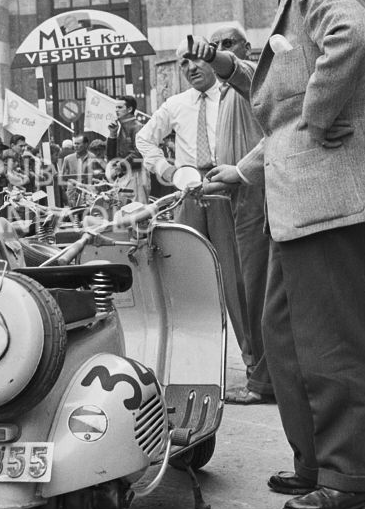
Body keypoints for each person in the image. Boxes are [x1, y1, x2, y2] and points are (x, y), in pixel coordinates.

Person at [197, 0, 365, 509]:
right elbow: (283, 114)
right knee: (282, 334)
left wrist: (323, 112)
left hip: (326, 201)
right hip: (297, 201)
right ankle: (316, 458)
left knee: (332, 342)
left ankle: (354, 477)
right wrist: (242, 161)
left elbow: (355, 35)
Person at [137, 50, 251, 381]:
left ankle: (255, 364)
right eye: (183, 63)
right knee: (190, 283)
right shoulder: (176, 104)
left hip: (227, 194)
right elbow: (144, 139)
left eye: (196, 60)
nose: (191, 68)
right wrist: (167, 169)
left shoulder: (232, 99)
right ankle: (196, 369)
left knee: (237, 280)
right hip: (190, 197)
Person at [205, 23, 273, 405]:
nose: (218, 51)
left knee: (257, 288)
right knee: (243, 287)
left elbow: (268, 138)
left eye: (227, 45)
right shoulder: (226, 93)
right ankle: (257, 371)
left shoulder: (250, 78)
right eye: (213, 45)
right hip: (236, 196)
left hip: (255, 194)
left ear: (246, 48)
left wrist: (241, 172)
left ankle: (263, 380)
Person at [106, 96, 145, 201]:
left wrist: (121, 164)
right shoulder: (120, 128)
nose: (116, 110)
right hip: (124, 175)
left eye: (119, 107)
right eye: (116, 107)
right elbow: (111, 157)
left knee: (137, 211)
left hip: (136, 174)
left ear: (130, 109)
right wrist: (112, 135)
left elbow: (140, 154)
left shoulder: (137, 127)